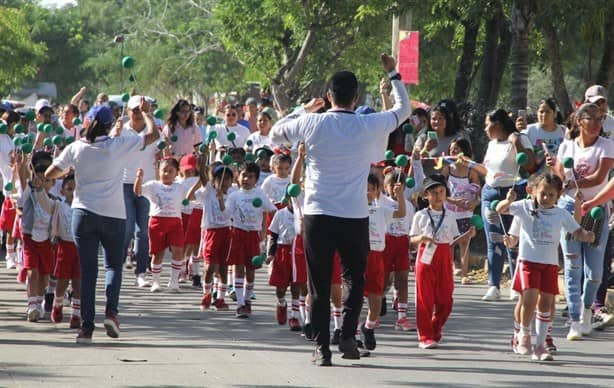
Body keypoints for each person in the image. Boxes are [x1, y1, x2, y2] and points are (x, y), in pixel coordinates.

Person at [269, 53, 410, 366]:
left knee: (319, 284)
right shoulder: (367, 123)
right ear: (356, 97)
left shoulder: (311, 122)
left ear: (328, 96)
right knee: (354, 280)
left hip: (318, 214)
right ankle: (347, 333)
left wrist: (301, 109)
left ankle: (322, 348)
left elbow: (275, 133)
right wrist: (394, 73)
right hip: (354, 215)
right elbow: (403, 110)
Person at [45, 101, 160, 344]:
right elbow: (153, 135)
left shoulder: (76, 148)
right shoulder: (118, 145)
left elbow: (50, 174)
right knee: (113, 267)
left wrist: (68, 171)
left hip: (83, 214)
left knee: (88, 272)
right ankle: (111, 314)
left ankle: (86, 328)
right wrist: (148, 114)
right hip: (114, 214)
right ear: (110, 126)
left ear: (87, 123)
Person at [496, 173, 594, 360]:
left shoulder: (560, 213)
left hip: (549, 264)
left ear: (558, 196)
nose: (546, 198)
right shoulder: (524, 207)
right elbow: (501, 209)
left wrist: (588, 235)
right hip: (528, 262)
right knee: (529, 300)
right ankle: (524, 335)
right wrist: (507, 201)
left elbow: (577, 230)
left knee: (547, 304)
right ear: (532, 192)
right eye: (543, 194)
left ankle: (540, 346)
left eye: (551, 195)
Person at [547, 103, 614, 339]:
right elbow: (558, 176)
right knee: (572, 266)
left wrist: (574, 185)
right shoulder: (567, 147)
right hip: (568, 209)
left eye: (601, 119)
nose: (597, 124)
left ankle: (587, 311)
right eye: (592, 119)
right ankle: (575, 318)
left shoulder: (606, 145)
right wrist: (555, 172)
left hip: (595, 210)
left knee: (594, 270)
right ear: (579, 121)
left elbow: (598, 177)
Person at [461, 109, 535, 301]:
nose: (485, 128)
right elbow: (488, 170)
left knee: (514, 239)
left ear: (499, 125)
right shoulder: (491, 144)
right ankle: (494, 285)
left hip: (513, 194)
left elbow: (530, 165)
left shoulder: (519, 139)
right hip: (490, 193)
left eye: (488, 124)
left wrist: (516, 140)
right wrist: (470, 164)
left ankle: (516, 284)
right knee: (494, 239)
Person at [409, 174, 475, 349]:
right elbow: (411, 240)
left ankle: (435, 328)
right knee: (425, 299)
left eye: (441, 192)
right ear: (426, 196)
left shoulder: (450, 215)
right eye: (434, 193)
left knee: (446, 300)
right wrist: (421, 238)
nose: (438, 196)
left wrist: (468, 235)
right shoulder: (420, 216)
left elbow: (453, 240)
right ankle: (425, 336)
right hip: (425, 257)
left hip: (444, 256)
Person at [115, 96, 160, 288]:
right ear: (128, 112)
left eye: (140, 110)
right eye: (134, 110)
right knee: (126, 230)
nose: (137, 114)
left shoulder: (154, 128)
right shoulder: (121, 129)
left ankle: (141, 272)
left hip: (147, 185)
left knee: (143, 232)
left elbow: (159, 145)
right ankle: (116, 265)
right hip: (125, 183)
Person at [361, 173, 405, 352]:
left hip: (377, 257)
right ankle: (353, 334)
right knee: (354, 298)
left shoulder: (381, 210)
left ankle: (369, 327)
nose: (368, 193)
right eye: (364, 190)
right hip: (358, 257)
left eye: (372, 190)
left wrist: (400, 195)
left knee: (376, 300)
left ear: (378, 191)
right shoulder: (351, 211)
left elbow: (401, 213)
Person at [225, 162, 276, 318]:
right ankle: (240, 304)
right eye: (244, 175)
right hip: (237, 234)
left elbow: (272, 209)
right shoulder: (234, 195)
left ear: (256, 179)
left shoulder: (260, 194)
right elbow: (226, 215)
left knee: (251, 271)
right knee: (238, 268)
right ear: (238, 177)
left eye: (251, 176)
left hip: (253, 236)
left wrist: (265, 233)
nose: (246, 179)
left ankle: (247, 300)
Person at [134, 159, 188, 292]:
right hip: (157, 222)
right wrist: (139, 179)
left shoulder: (180, 187)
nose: (167, 174)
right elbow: (138, 192)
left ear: (176, 173)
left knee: (178, 251)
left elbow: (191, 196)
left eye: (171, 171)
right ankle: (156, 282)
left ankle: (174, 282)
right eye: (164, 170)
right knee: (157, 253)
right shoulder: (153, 185)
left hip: (175, 222)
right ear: (158, 171)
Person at [187, 163, 234, 311]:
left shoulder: (233, 194)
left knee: (224, 268)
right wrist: (202, 161)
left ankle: (220, 298)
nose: (223, 182)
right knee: (210, 266)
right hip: (211, 231)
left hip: (227, 231)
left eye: (227, 179)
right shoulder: (209, 191)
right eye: (220, 179)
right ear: (213, 180)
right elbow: (203, 176)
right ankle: (206, 295)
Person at [442, 138, 480, 283]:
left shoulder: (471, 171)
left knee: (465, 243)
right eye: (452, 150)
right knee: (449, 242)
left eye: (456, 149)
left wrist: (473, 203)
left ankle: (464, 274)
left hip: (465, 213)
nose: (453, 152)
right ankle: (450, 271)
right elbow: (441, 191)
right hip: (449, 212)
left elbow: (477, 191)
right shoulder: (448, 169)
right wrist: (453, 201)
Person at [49, 175, 82, 329]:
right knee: (62, 280)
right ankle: (58, 304)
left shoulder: (82, 206)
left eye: (76, 189)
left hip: (81, 247)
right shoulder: (59, 205)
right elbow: (55, 221)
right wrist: (54, 235)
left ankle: (76, 315)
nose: (73, 192)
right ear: (62, 191)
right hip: (64, 245)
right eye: (69, 189)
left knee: (78, 282)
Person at [518, 98, 566, 172]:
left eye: (548, 112)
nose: (544, 115)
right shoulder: (528, 131)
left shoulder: (564, 131)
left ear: (555, 113)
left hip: (559, 175)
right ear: (537, 113)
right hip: (535, 178)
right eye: (541, 112)